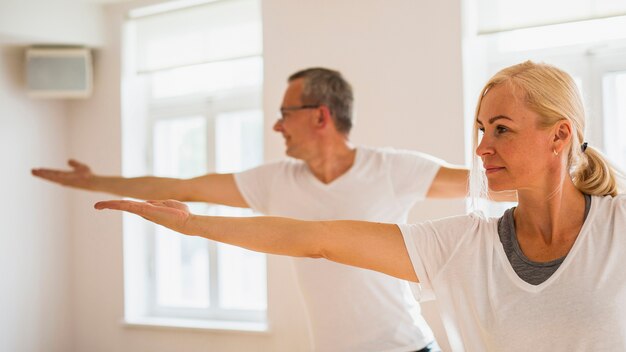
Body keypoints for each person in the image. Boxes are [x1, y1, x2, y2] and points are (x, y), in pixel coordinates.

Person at [92, 61, 625, 351]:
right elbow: (317, 238)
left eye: (502, 130)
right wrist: (192, 225)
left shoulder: (617, 227)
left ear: (560, 136)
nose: (482, 146)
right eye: (480, 130)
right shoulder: (464, 244)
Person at [32, 68, 507, 352]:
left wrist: (572, 177)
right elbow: (179, 185)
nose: (277, 125)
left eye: (285, 113)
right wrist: (93, 181)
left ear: (321, 115)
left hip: (407, 347)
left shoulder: (393, 169)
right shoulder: (275, 180)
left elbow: (487, 184)